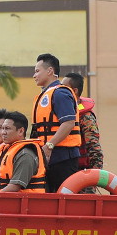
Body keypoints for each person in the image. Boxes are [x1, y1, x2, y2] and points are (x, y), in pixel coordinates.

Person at [31, 53, 81, 192]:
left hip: (63, 156)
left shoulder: (60, 93)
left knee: (62, 196)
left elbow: (69, 123)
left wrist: (50, 145)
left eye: (37, 71)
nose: (34, 75)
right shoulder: (45, 94)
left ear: (50, 71)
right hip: (49, 155)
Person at [61, 72, 104, 186]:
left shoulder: (86, 117)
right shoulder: (63, 112)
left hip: (83, 173)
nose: (60, 91)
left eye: (64, 88)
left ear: (74, 91)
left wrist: (93, 179)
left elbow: (95, 149)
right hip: (65, 170)